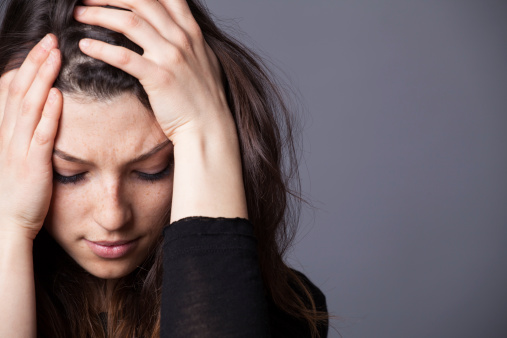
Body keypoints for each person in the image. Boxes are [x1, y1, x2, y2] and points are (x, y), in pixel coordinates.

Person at [0, 0, 328, 337]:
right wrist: (9, 228)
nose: (113, 217)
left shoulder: (283, 311)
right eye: (68, 174)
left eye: (152, 169)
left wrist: (204, 128)